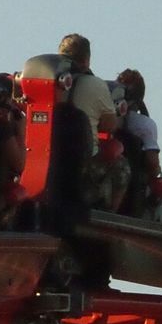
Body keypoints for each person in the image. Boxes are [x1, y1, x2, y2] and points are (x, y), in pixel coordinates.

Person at [58, 34, 130, 212]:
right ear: (87, 59)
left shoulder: (48, 80)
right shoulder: (96, 85)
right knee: (122, 165)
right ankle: (110, 216)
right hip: (83, 162)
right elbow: (110, 125)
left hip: (48, 158)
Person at [116, 68, 162, 224]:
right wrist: (157, 171)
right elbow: (152, 163)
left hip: (113, 180)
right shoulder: (144, 124)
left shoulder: (106, 117)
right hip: (137, 188)